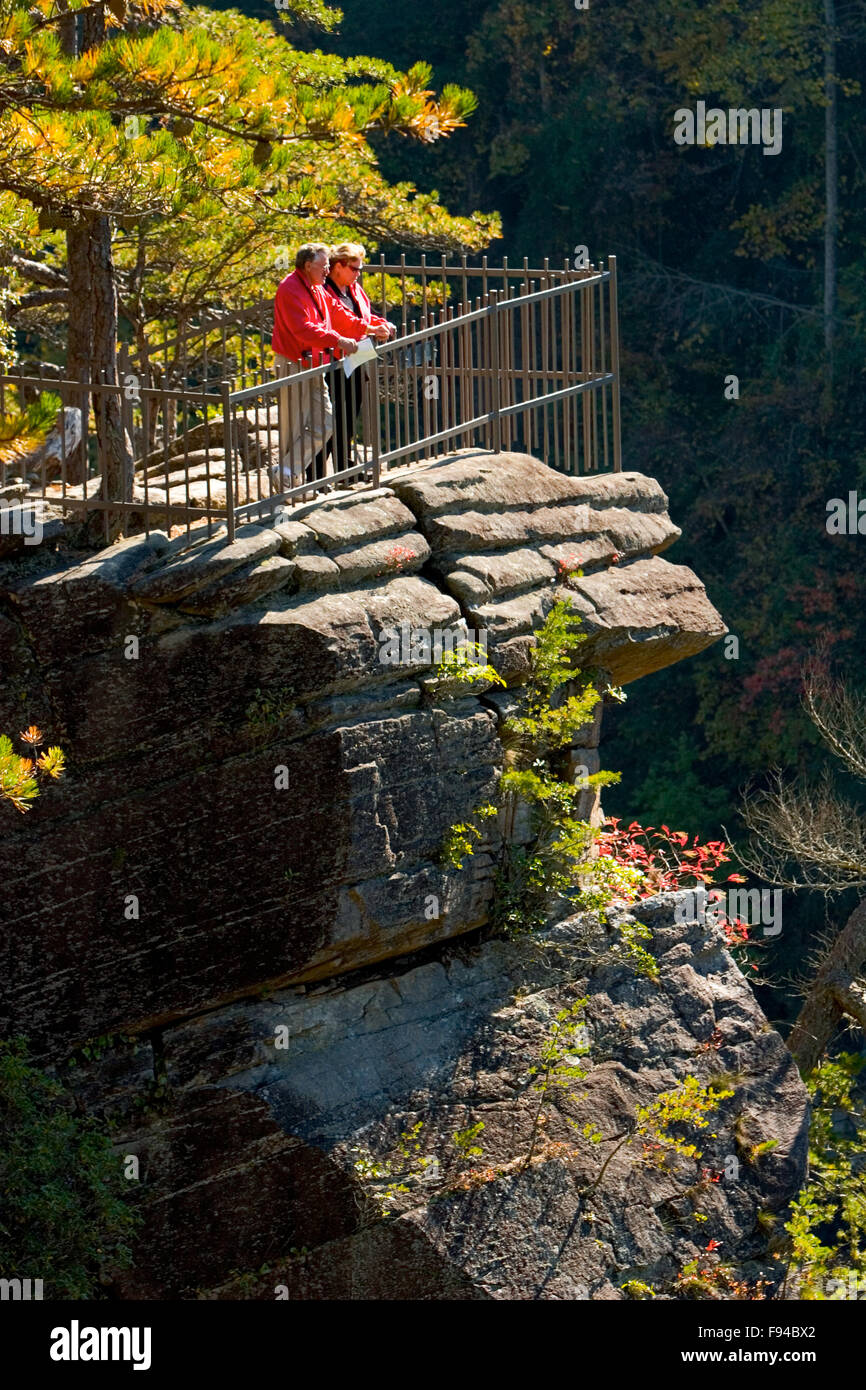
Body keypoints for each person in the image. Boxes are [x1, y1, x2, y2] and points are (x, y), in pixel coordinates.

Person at [270, 243, 368, 491]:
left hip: (314, 365)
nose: (327, 270)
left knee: (325, 424)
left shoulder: (316, 287)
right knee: (293, 426)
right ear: (307, 266)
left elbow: (338, 313)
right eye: (323, 266)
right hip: (293, 364)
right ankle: (286, 482)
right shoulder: (290, 288)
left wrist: (369, 329)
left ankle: (286, 469)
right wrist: (338, 340)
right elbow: (302, 330)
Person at [320, 243, 397, 479]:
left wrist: (381, 323)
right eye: (354, 268)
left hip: (357, 356)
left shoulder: (353, 289)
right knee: (333, 417)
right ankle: (318, 473)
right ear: (338, 267)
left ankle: (345, 467)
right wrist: (373, 329)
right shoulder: (325, 291)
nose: (358, 273)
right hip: (333, 360)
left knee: (350, 413)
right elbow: (342, 321)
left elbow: (365, 314)